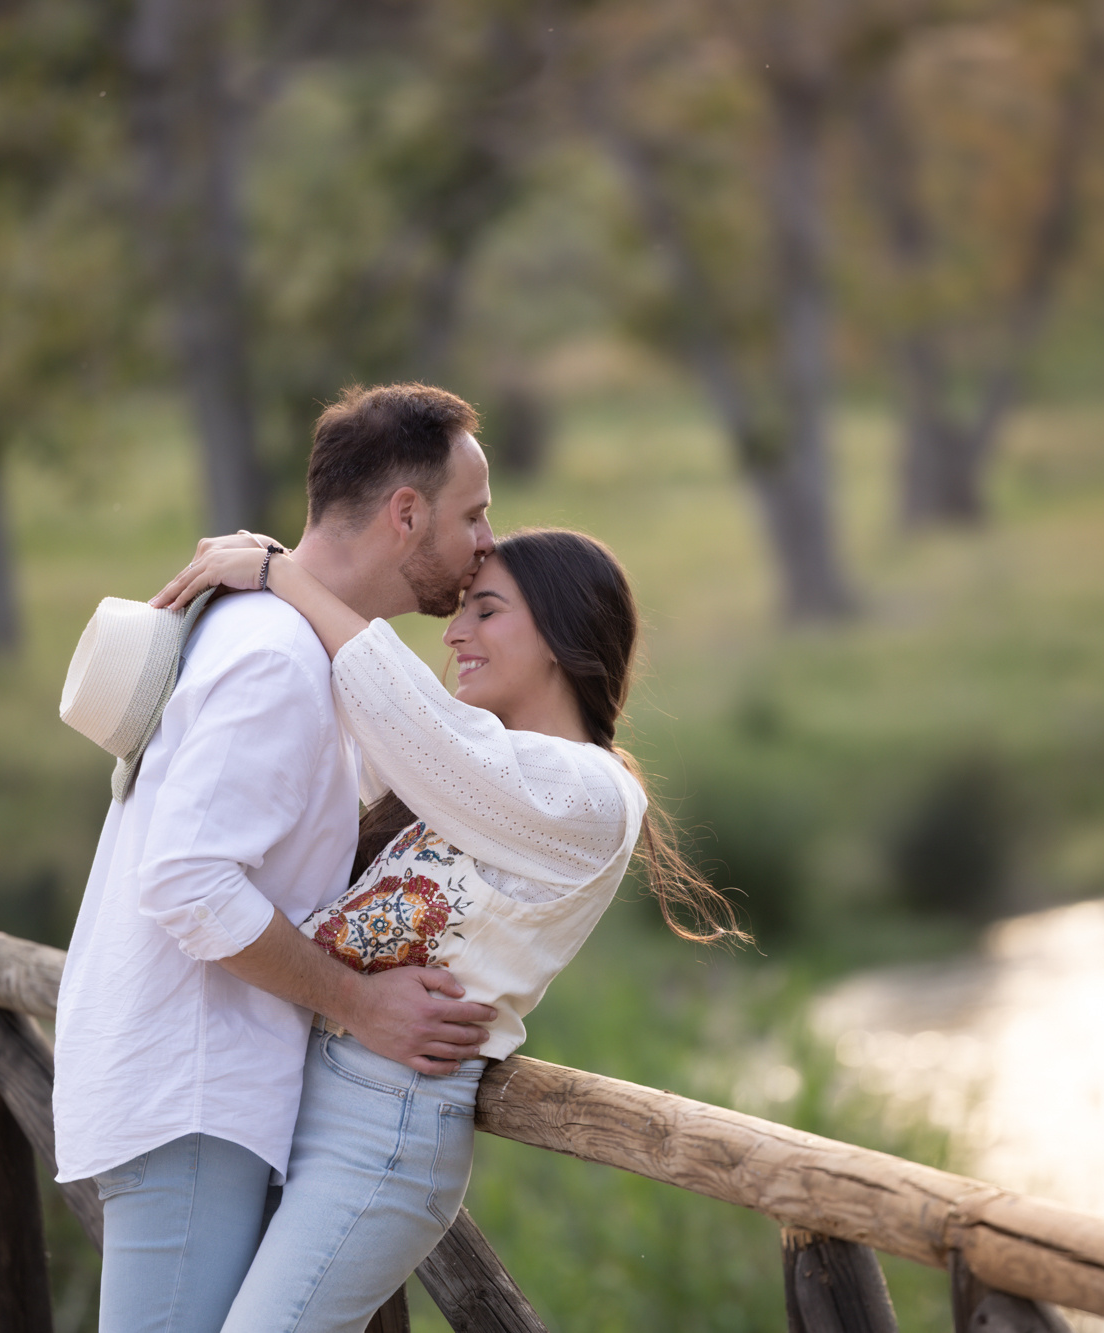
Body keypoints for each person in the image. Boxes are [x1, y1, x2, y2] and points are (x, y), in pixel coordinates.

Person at [149, 524, 744, 1333]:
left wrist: (280, 575)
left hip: (384, 1120)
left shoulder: (589, 794)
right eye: (462, 610)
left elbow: (414, 723)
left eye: (487, 611)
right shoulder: (462, 775)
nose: (456, 632)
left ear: (563, 638)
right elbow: (343, 734)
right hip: (299, 1085)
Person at [51, 384, 506, 1333]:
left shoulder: (282, 638)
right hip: (195, 1093)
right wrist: (362, 1003)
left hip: (197, 1089)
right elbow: (188, 883)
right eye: (473, 517)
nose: (483, 548)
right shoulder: (275, 659)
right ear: (406, 514)